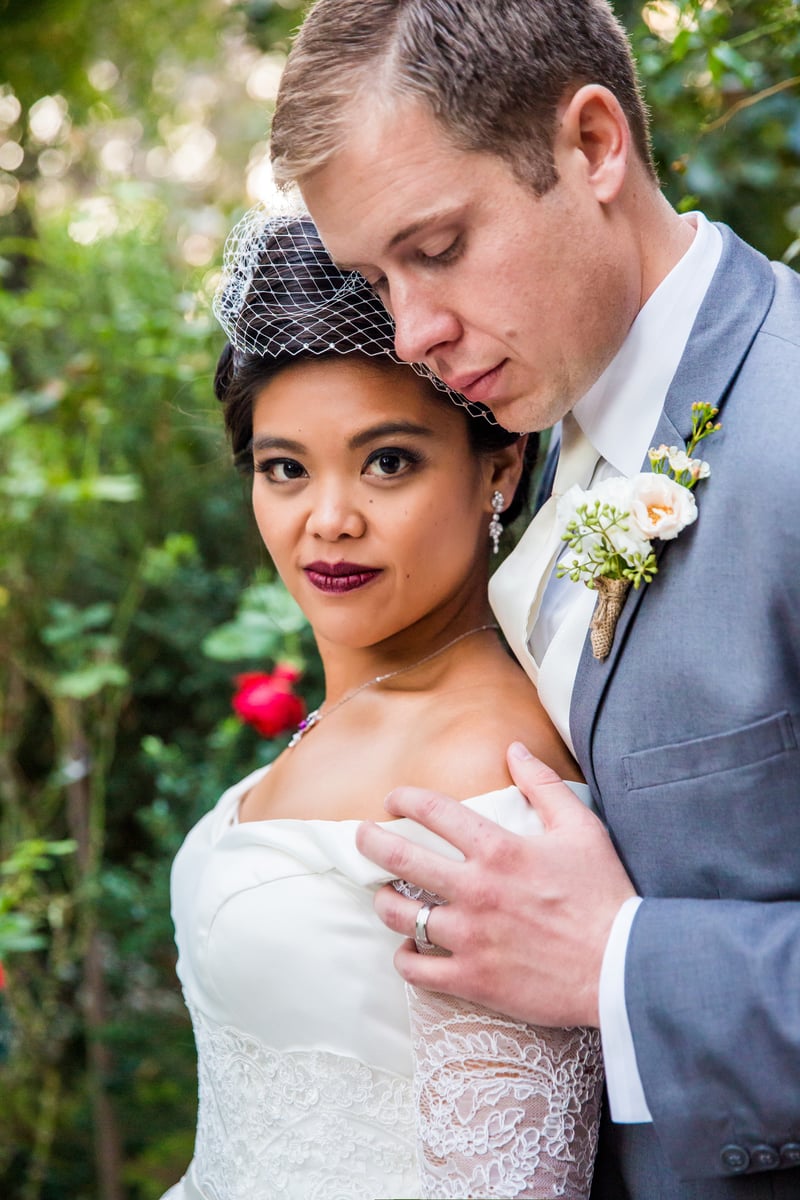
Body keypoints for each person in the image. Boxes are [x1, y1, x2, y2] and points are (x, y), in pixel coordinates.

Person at [268, 2, 800, 1197]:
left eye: (438, 247)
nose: (412, 332)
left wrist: (619, 961)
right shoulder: (549, 430)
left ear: (592, 145)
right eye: (375, 277)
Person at [162, 211, 605, 1200]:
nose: (328, 520)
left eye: (387, 461)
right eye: (285, 468)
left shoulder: (482, 768)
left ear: (499, 466)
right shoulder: (365, 704)